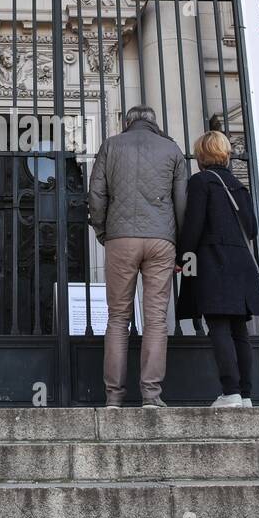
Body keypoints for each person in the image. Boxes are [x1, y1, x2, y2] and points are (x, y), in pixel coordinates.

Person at [87, 105, 188, 408]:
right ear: (154, 124)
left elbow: (96, 194)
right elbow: (182, 201)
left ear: (125, 122)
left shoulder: (111, 146)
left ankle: (114, 397)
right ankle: (151, 395)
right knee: (156, 319)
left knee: (118, 318)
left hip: (121, 238)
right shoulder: (172, 149)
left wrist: (103, 231)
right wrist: (178, 243)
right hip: (161, 240)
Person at [176, 131, 259, 408]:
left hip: (214, 263)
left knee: (218, 327)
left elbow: (193, 225)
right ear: (226, 153)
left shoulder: (201, 182)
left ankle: (230, 391)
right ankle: (246, 393)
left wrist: (183, 257)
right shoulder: (239, 186)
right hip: (241, 264)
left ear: (201, 155)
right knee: (241, 330)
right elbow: (251, 229)